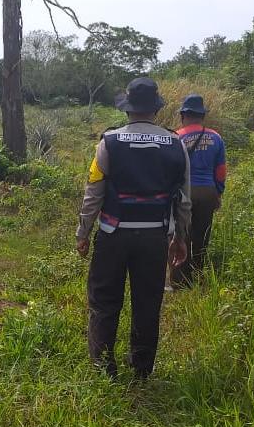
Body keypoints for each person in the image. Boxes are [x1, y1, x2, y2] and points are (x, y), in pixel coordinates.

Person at [76, 77, 191, 379]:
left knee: (104, 300)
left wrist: (83, 232)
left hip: (113, 236)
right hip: (154, 236)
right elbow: (183, 199)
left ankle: (103, 368)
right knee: (148, 301)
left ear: (127, 109)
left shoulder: (109, 142)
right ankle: (142, 369)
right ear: (155, 109)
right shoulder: (176, 144)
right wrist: (180, 237)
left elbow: (94, 192)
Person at [172, 94, 226, 287]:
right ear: (202, 116)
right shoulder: (216, 137)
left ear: (183, 115)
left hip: (185, 192)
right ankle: (197, 275)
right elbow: (220, 171)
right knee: (202, 235)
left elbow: (173, 169)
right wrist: (218, 193)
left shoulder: (176, 137)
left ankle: (179, 279)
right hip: (208, 191)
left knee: (181, 234)